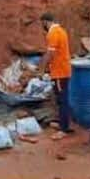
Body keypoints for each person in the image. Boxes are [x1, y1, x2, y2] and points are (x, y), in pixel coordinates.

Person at [38, 12, 73, 140]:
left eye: (42, 24)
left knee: (62, 100)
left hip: (60, 72)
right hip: (63, 70)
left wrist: (41, 69)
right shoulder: (61, 31)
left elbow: (50, 54)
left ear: (46, 22)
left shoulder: (52, 34)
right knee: (61, 98)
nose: (43, 27)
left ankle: (64, 129)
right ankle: (63, 123)